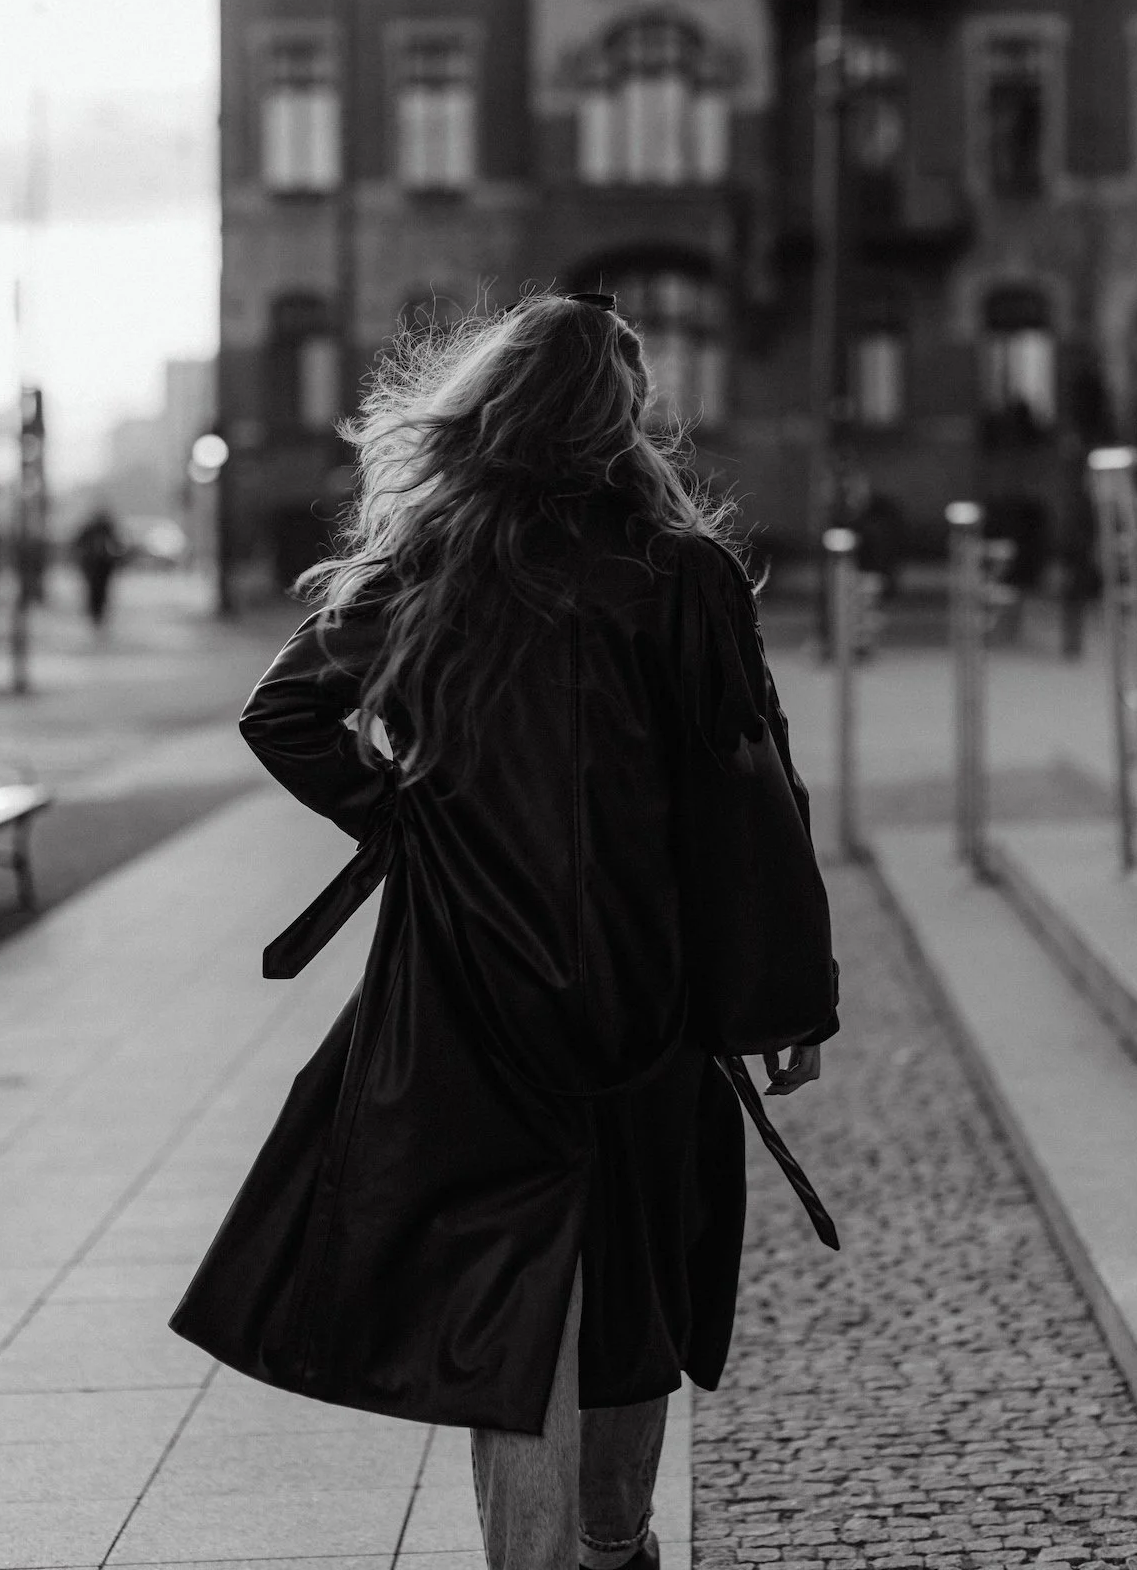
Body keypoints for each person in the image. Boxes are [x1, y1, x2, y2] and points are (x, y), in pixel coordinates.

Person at [169, 292, 839, 1570]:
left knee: (513, 1285)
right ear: (620, 416)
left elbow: (284, 717)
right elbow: (750, 794)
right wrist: (788, 996)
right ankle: (615, 1542)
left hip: (470, 982)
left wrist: (416, 817)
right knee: (631, 1278)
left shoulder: (440, 559)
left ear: (495, 407)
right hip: (649, 982)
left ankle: (549, 1558)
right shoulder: (682, 572)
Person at [71, 508, 126, 628]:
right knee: (95, 589)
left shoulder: (106, 530)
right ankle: (95, 612)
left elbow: (118, 547)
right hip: (93, 565)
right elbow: (78, 544)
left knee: (100, 589)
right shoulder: (93, 530)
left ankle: (98, 612)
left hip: (103, 566)